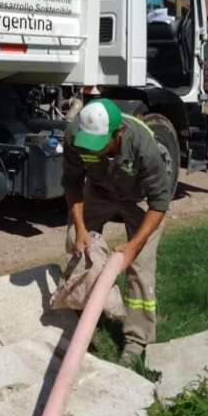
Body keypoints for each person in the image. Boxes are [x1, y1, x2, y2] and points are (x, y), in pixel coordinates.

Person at [61, 98, 171, 365]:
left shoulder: (143, 147)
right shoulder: (75, 136)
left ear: (119, 132)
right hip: (99, 191)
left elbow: (159, 204)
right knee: (77, 251)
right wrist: (81, 230)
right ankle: (83, 316)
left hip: (140, 197)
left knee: (140, 267)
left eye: (101, 145)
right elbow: (73, 184)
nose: (94, 152)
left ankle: (136, 341)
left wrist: (132, 247)